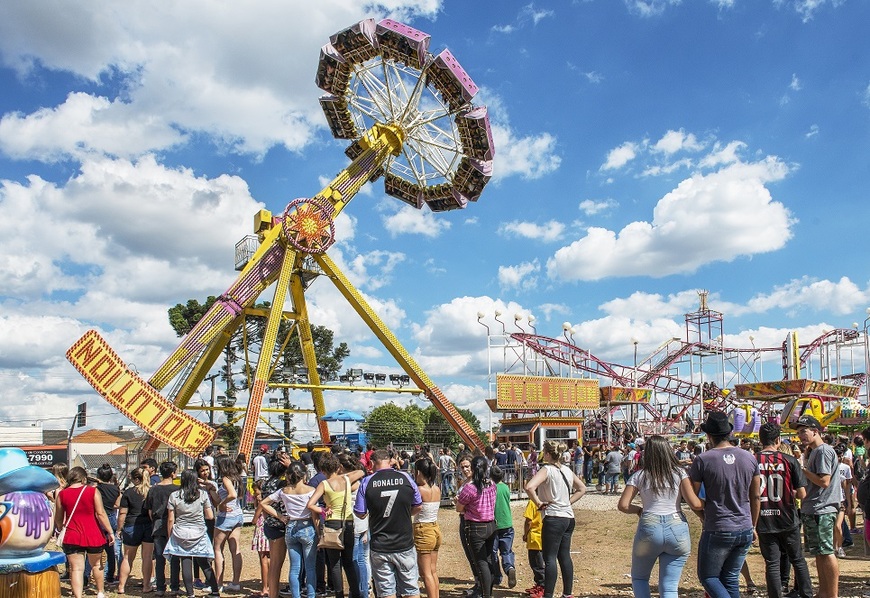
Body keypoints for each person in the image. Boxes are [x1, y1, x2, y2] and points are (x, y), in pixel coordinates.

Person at [617, 435, 704, 598]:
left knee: (640, 578)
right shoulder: (679, 473)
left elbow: (623, 505)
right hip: (677, 526)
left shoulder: (640, 475)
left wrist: (638, 510)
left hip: (650, 525)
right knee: (670, 586)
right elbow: (695, 504)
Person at [689, 411, 761, 598]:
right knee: (730, 578)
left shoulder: (703, 460)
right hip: (744, 525)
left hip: (718, 526)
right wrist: (753, 524)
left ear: (709, 435)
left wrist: (703, 517)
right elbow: (755, 496)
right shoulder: (749, 458)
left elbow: (694, 499)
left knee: (708, 577)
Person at [354, 449, 423, 598]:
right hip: (404, 543)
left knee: (386, 591)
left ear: (372, 463)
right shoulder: (405, 477)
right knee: (411, 589)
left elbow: (360, 512)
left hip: (380, 545)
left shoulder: (367, 481)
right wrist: (403, 514)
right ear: (390, 461)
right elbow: (418, 504)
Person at [755, 422, 812, 598]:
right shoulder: (789, 460)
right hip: (787, 516)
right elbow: (802, 493)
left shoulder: (752, 460)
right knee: (797, 559)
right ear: (778, 440)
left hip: (763, 518)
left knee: (772, 562)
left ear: (760, 439)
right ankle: (806, 594)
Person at [525, 441, 586, 598]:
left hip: (553, 517)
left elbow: (529, 487)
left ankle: (548, 594)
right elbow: (582, 488)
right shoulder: (566, 469)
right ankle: (567, 594)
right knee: (564, 556)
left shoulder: (547, 469)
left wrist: (538, 502)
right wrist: (567, 502)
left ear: (546, 454)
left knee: (550, 558)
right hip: (568, 517)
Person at [308, 452, 367, 598]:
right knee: (349, 562)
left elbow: (310, 504)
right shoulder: (346, 479)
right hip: (348, 522)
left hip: (331, 524)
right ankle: (356, 592)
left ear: (322, 470)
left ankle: (339, 594)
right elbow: (361, 471)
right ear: (338, 466)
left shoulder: (324, 484)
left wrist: (322, 510)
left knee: (334, 564)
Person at [796, 415, 840, 598]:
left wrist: (802, 469)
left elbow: (824, 481)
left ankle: (832, 594)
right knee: (820, 553)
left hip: (822, 508)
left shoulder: (822, 451)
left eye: (804, 431)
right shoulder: (814, 451)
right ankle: (824, 592)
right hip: (815, 508)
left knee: (826, 552)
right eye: (798, 432)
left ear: (815, 431)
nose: (801, 436)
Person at [55, 466, 114, 598]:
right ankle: (100, 592)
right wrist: (110, 531)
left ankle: (78, 595)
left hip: (72, 534)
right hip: (93, 533)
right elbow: (100, 513)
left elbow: (58, 517)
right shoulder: (92, 491)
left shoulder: (62, 494)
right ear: (83, 478)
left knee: (76, 568)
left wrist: (60, 529)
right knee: (97, 565)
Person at [262, 461, 317, 598]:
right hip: (307, 526)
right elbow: (314, 514)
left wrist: (280, 516)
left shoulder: (284, 491)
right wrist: (319, 531)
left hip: (290, 526)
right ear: (304, 475)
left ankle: (295, 595)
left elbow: (264, 503)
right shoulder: (311, 490)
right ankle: (311, 595)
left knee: (294, 567)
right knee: (310, 567)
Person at [163, 468, 220, 598]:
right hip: (198, 531)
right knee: (204, 562)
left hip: (181, 531)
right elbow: (210, 516)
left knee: (185, 561)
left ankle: (190, 593)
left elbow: (171, 519)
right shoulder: (202, 495)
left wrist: (169, 535)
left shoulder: (175, 495)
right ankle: (215, 591)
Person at [117, 467, 154, 594]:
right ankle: (146, 585)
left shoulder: (128, 493)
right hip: (149, 526)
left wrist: (119, 528)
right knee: (147, 557)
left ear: (135, 479)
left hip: (131, 525)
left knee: (127, 558)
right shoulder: (151, 491)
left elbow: (122, 513)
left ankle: (121, 586)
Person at [146, 460, 179, 596]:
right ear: (173, 473)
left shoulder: (153, 489)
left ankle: (160, 587)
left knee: (159, 557)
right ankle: (175, 586)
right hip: (175, 524)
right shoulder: (177, 490)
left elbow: (149, 510)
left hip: (158, 523)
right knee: (175, 557)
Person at [212, 454, 244, 592]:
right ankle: (235, 582)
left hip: (226, 516)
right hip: (237, 515)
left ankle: (218, 583)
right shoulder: (236, 478)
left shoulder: (225, 479)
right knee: (235, 549)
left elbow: (232, 494)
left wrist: (222, 504)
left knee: (218, 549)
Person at [414, 457, 442, 598]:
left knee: (425, 573)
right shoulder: (436, 489)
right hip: (435, 528)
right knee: (433, 570)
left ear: (418, 472)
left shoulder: (419, 490)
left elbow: (413, 509)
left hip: (423, 530)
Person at [192, 458, 218, 590]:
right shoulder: (194, 485)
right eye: (202, 471)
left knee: (209, 546)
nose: (205, 472)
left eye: (207, 469)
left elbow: (217, 501)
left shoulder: (212, 483)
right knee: (196, 548)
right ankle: (196, 577)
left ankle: (210, 576)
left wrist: (210, 487)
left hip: (210, 518)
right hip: (197, 517)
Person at [94, 463, 121, 587]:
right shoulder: (116, 489)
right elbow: (117, 504)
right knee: (111, 551)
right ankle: (109, 576)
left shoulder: (96, 489)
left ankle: (87, 575)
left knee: (94, 548)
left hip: (98, 518)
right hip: (111, 516)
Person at [489, 465, 516, 588]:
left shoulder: (490, 488)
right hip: (507, 523)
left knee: (493, 552)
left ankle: (496, 575)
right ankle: (509, 567)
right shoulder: (505, 487)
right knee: (506, 550)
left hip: (494, 524)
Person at [250, 480, 271, 598]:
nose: (254, 493)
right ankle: (270, 585)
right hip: (270, 532)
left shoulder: (261, 504)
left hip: (261, 532)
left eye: (255, 491)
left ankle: (265, 588)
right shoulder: (271, 502)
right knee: (270, 559)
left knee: (263, 560)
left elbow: (254, 519)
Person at [522, 498, 545, 598]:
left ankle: (542, 586)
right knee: (544, 562)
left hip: (535, 538)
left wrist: (525, 534)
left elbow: (528, 521)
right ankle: (540, 585)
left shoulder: (533, 502)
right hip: (546, 535)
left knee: (536, 564)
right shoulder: (547, 500)